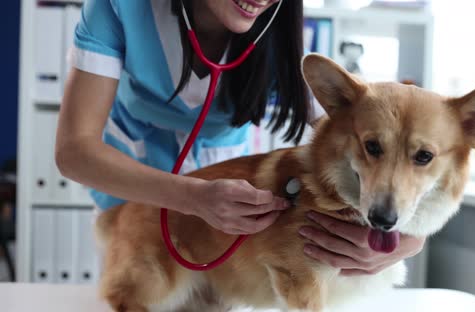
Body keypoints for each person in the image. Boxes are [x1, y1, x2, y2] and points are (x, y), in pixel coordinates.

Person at [56, 0, 424, 276]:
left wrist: (408, 241)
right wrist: (192, 196)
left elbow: (364, 140)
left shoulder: (277, 34)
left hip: (224, 185)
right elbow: (74, 151)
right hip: (130, 180)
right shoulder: (120, 7)